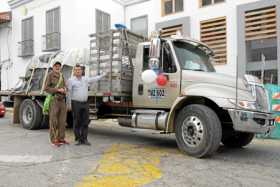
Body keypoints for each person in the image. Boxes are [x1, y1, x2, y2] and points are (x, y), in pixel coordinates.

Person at [67, 64, 106, 146]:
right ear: (74, 71)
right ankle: (78, 139)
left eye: (79, 70)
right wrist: (69, 104)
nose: (78, 71)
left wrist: (103, 75)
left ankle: (84, 139)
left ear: (82, 71)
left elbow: (94, 79)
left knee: (85, 122)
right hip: (76, 103)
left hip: (85, 103)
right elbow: (69, 93)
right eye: (76, 70)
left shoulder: (85, 79)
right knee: (77, 122)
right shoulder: (71, 80)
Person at [45, 61, 69, 147]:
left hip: (62, 100)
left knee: (62, 121)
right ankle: (53, 140)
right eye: (56, 66)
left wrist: (66, 89)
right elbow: (46, 88)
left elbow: (65, 86)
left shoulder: (62, 75)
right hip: (54, 100)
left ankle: (61, 138)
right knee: (53, 121)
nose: (58, 67)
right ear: (53, 67)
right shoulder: (50, 75)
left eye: (59, 66)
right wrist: (58, 90)